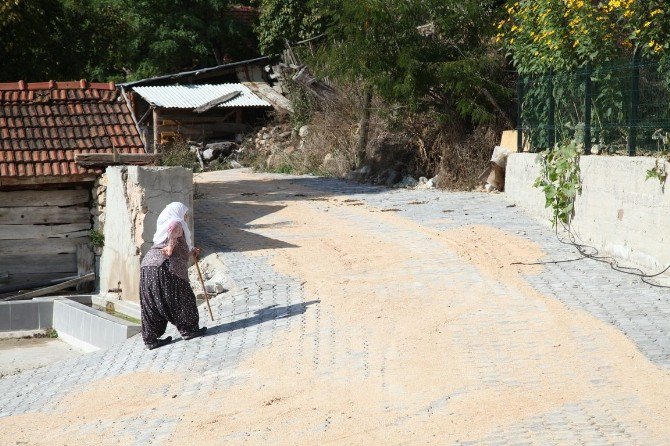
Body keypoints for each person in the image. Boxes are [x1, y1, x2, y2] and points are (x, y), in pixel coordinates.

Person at [139, 202, 207, 350]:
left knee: (152, 303)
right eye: (184, 213)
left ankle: (150, 339)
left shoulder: (161, 229)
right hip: (166, 267)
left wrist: (192, 250)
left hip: (147, 266)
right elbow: (174, 229)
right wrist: (170, 247)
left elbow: (180, 245)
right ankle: (189, 330)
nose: (186, 216)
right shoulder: (176, 222)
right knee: (182, 298)